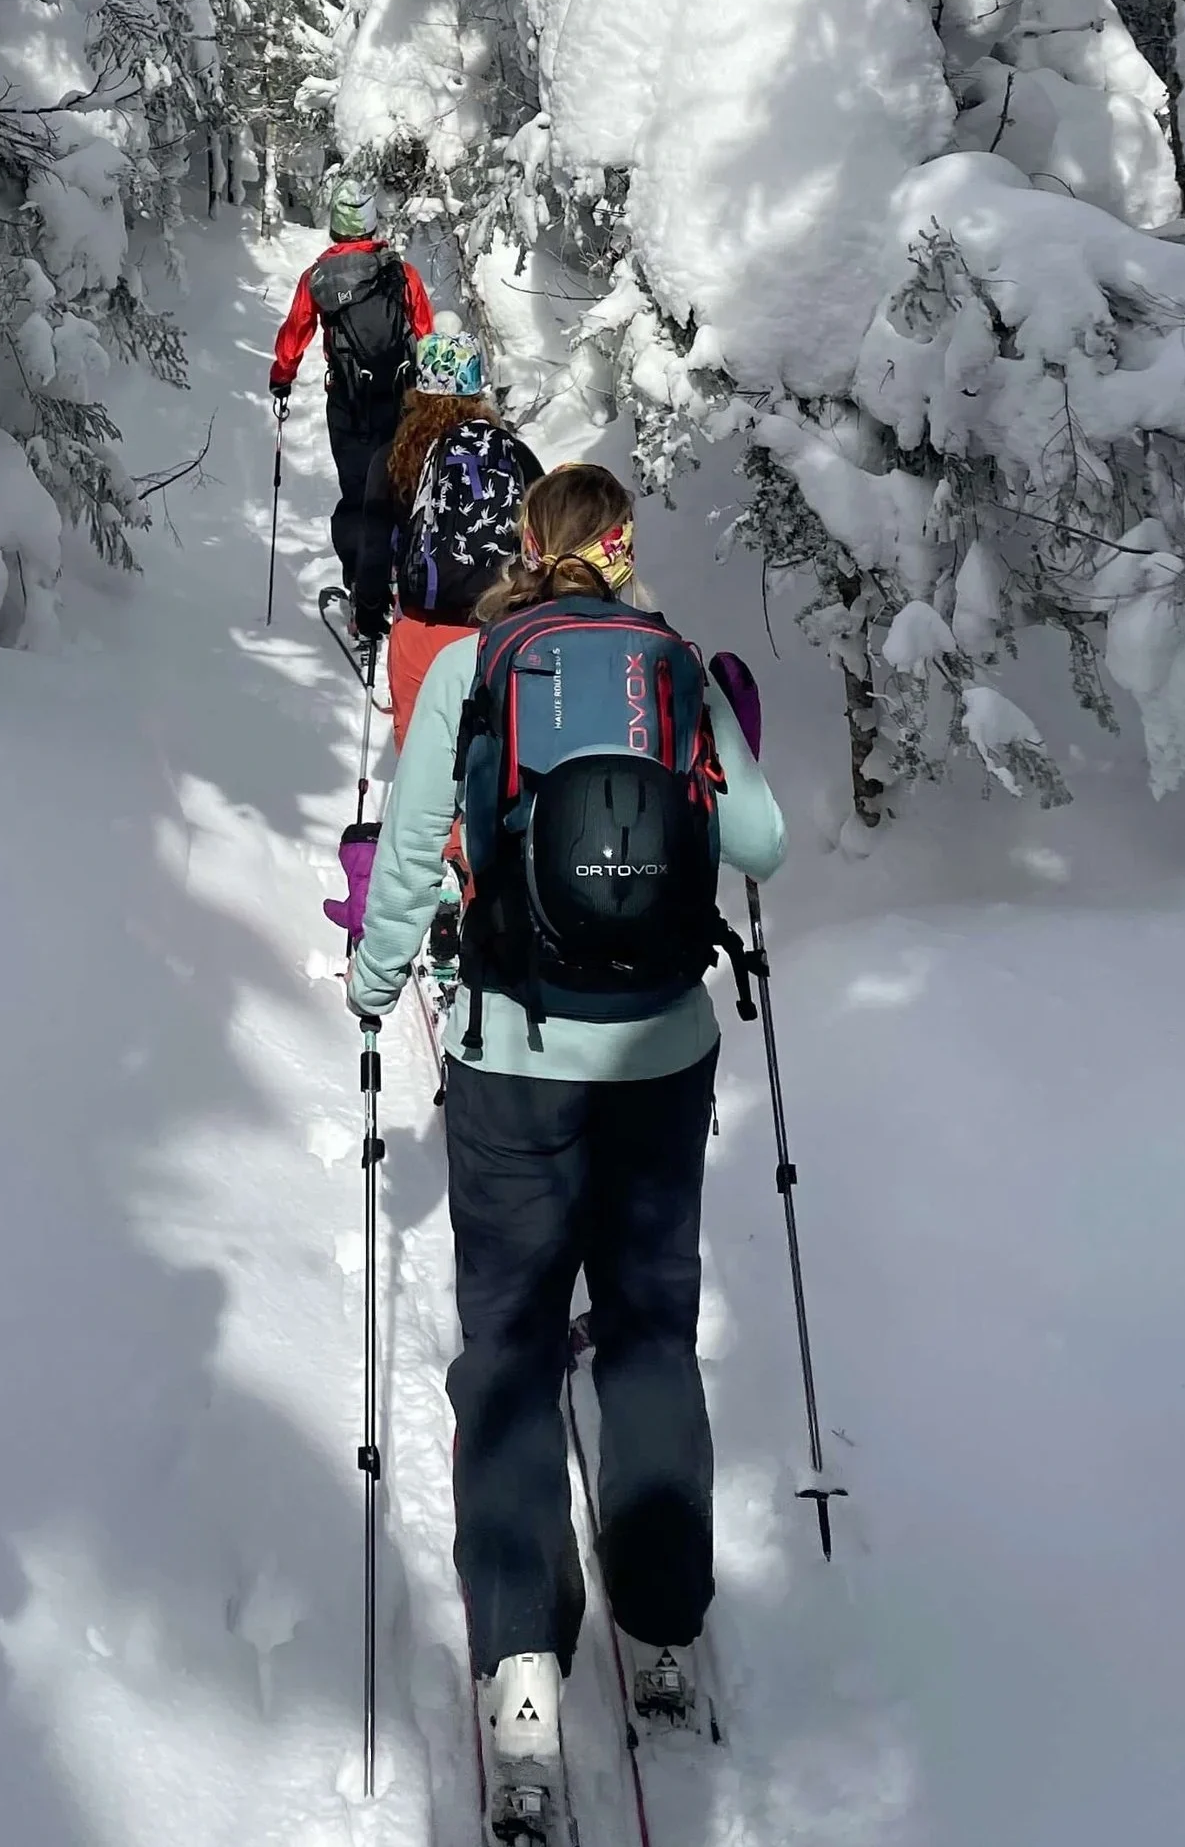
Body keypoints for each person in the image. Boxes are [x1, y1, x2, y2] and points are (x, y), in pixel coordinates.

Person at [345, 463, 786, 1830]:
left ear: (528, 548)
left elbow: (416, 849)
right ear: (623, 546)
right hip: (660, 1050)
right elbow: (761, 841)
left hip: (511, 1063)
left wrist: (372, 990)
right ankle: (659, 1632)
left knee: (517, 1345)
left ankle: (523, 1665)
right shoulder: (672, 663)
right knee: (650, 1331)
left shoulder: (479, 664)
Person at [350, 326, 541, 749]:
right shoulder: (514, 454)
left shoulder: (394, 457)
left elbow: (376, 550)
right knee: (494, 753)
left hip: (423, 624)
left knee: (426, 756)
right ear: (478, 388)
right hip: (498, 630)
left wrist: (368, 613)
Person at [268, 178, 433, 581]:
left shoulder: (319, 277)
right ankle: (403, 575)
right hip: (401, 399)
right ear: (372, 224)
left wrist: (281, 377)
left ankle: (361, 585)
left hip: (347, 401)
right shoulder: (402, 273)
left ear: (336, 226)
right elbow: (426, 333)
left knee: (358, 491)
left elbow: (296, 332)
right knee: (401, 486)